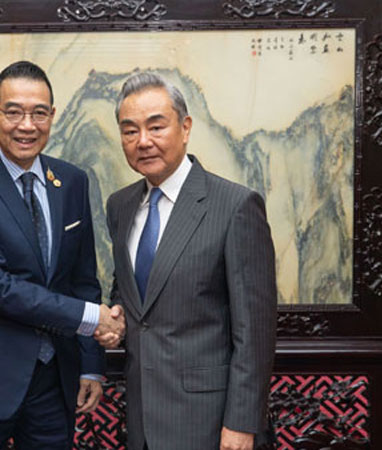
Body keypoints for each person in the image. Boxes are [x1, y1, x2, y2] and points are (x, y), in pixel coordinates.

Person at [0, 61, 125, 450]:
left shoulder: (71, 181)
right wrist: (93, 318)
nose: (27, 125)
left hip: (53, 381)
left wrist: (91, 365)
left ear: (52, 116)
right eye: (14, 112)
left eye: (39, 113)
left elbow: (82, 278)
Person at [101, 72, 277, 450]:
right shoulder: (120, 205)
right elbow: (133, 289)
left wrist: (242, 424)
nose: (142, 141)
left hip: (208, 421)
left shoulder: (235, 206)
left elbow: (255, 331)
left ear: (185, 127)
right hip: (141, 418)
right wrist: (118, 315)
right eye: (130, 131)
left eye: (156, 126)